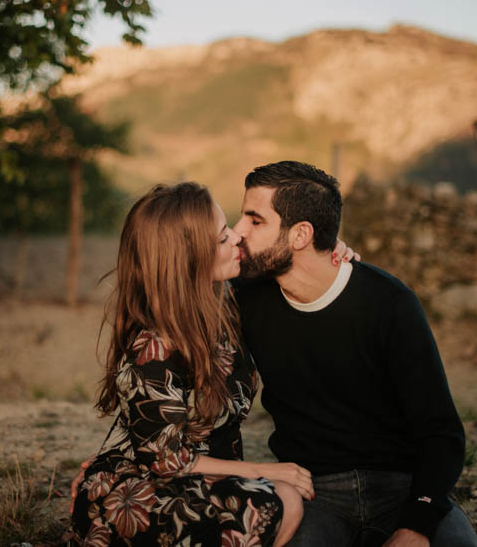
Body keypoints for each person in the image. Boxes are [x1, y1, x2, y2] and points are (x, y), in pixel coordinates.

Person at [232, 161, 477, 547]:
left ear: (300, 235)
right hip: (312, 491)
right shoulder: (246, 296)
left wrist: (417, 522)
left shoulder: (389, 302)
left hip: (403, 485)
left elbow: (441, 432)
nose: (237, 231)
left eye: (254, 220)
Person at [70, 182, 315, 547]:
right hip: (135, 494)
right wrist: (263, 469)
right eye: (220, 238)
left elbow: (301, 270)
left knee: (284, 498)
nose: (235, 237)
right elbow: (164, 459)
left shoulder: (225, 301)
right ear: (187, 260)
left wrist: (334, 250)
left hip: (191, 478)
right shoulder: (153, 346)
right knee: (276, 499)